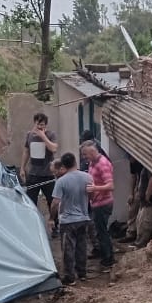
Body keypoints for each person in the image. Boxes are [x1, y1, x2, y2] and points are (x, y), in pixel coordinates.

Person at [50, 152, 92, 285]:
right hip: (83, 218)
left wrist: (52, 218)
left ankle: (69, 277)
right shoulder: (87, 177)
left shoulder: (61, 181)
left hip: (68, 220)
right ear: (75, 162)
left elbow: (55, 202)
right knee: (82, 246)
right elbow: (92, 196)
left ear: (63, 165)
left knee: (68, 249)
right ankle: (82, 273)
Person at [82, 137, 115, 270]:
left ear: (93, 151)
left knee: (102, 231)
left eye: (85, 154)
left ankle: (109, 258)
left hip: (103, 203)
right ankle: (101, 252)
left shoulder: (102, 164)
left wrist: (95, 189)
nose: (83, 157)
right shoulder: (92, 163)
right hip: (95, 202)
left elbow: (111, 186)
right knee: (97, 230)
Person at [20, 112, 58, 213]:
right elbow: (26, 151)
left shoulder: (51, 135)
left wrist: (43, 137)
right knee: (31, 201)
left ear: (46, 125)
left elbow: (54, 148)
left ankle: (53, 222)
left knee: (51, 200)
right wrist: (22, 168)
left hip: (47, 174)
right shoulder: (29, 135)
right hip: (33, 174)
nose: (40, 127)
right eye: (38, 124)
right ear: (34, 123)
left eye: (42, 125)